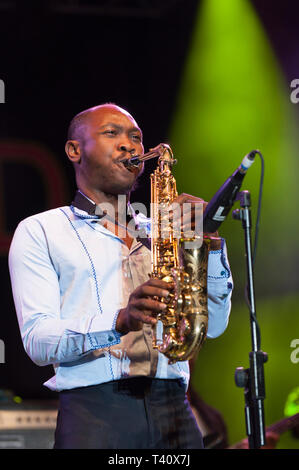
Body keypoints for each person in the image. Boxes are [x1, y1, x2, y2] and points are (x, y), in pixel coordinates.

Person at [8, 103, 233, 449]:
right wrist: (119, 319)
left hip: (175, 411)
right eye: (112, 133)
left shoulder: (165, 233)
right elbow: (38, 340)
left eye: (136, 137)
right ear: (74, 150)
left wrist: (210, 244)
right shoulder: (40, 230)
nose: (130, 145)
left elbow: (212, 326)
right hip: (94, 414)